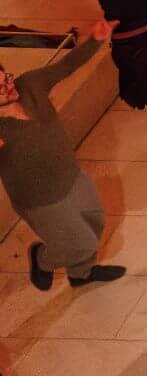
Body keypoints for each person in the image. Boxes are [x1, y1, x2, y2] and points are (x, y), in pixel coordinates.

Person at [3, 24, 126, 291]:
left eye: (6, 78)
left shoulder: (29, 85)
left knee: (95, 222)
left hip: (72, 175)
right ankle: (42, 259)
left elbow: (65, 66)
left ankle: (81, 274)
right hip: (41, 200)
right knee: (80, 243)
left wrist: (95, 40)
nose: (8, 87)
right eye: (0, 88)